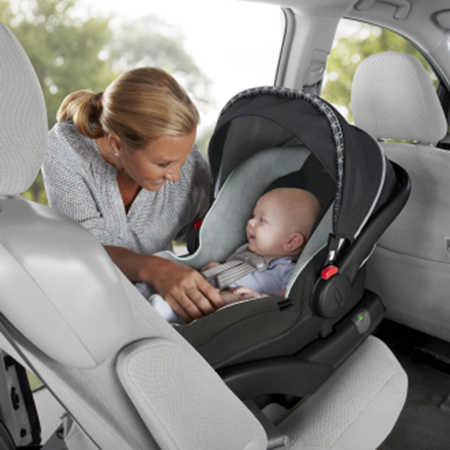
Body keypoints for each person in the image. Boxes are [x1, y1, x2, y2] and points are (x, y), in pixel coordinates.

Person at [42, 67, 223, 324]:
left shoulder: (191, 168)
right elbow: (82, 250)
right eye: (163, 164)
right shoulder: (66, 151)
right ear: (116, 144)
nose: (175, 175)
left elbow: (212, 234)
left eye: (182, 159)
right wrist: (152, 268)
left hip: (157, 312)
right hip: (85, 309)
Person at [150, 188, 321, 323]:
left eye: (262, 220)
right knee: (190, 277)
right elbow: (232, 265)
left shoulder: (287, 269)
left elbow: (286, 301)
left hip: (238, 303)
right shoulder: (247, 248)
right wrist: (218, 268)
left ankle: (174, 314)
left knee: (232, 299)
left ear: (291, 242)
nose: (250, 222)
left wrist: (259, 299)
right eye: (254, 215)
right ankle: (152, 290)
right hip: (215, 283)